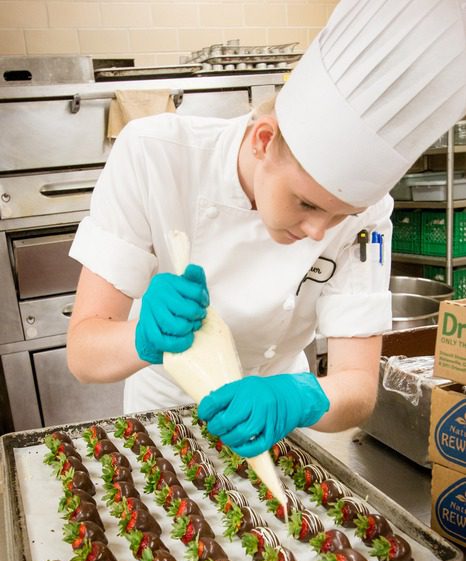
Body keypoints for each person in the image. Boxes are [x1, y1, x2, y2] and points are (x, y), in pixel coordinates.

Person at [67, 0, 466, 458]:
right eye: (307, 203)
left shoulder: (370, 214)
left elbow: (357, 387)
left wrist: (300, 398)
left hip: (276, 426)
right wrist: (141, 336)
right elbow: (83, 353)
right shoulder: (154, 155)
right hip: (163, 420)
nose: (319, 232)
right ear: (263, 140)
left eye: (341, 215)